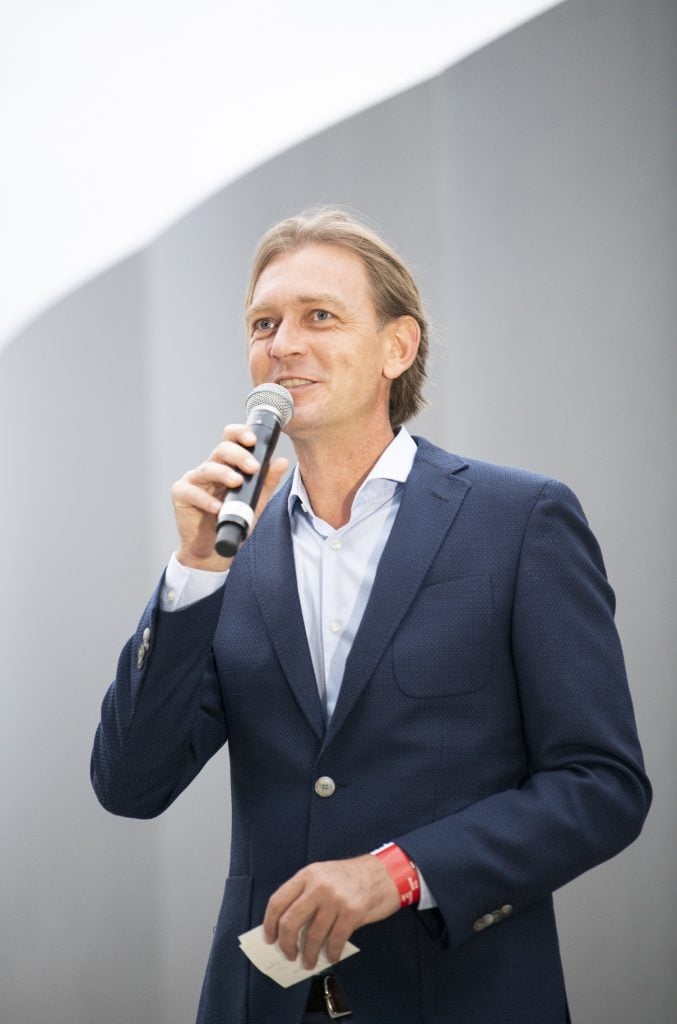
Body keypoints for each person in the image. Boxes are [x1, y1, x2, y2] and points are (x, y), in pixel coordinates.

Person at [91, 209, 651, 1024]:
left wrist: (396, 871)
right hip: (262, 1003)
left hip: (463, 997)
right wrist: (194, 572)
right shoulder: (229, 550)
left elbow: (600, 786)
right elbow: (131, 784)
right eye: (263, 322)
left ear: (398, 347)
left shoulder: (518, 519)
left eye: (319, 315)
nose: (282, 343)